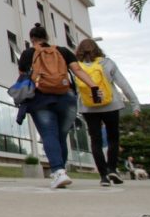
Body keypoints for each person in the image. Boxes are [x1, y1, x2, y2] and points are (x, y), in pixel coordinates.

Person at [17, 23, 101, 189]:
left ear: (32, 39)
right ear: (47, 38)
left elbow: (22, 79)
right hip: (66, 97)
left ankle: (58, 172)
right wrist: (93, 86)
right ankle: (61, 171)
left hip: (40, 99)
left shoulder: (28, 53)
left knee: (49, 134)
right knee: (61, 136)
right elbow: (77, 71)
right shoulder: (63, 51)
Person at [75, 38, 141, 187]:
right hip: (111, 104)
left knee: (95, 140)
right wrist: (134, 103)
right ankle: (112, 169)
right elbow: (123, 84)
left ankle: (103, 176)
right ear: (97, 49)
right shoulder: (107, 63)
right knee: (113, 138)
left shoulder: (76, 66)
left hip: (88, 107)